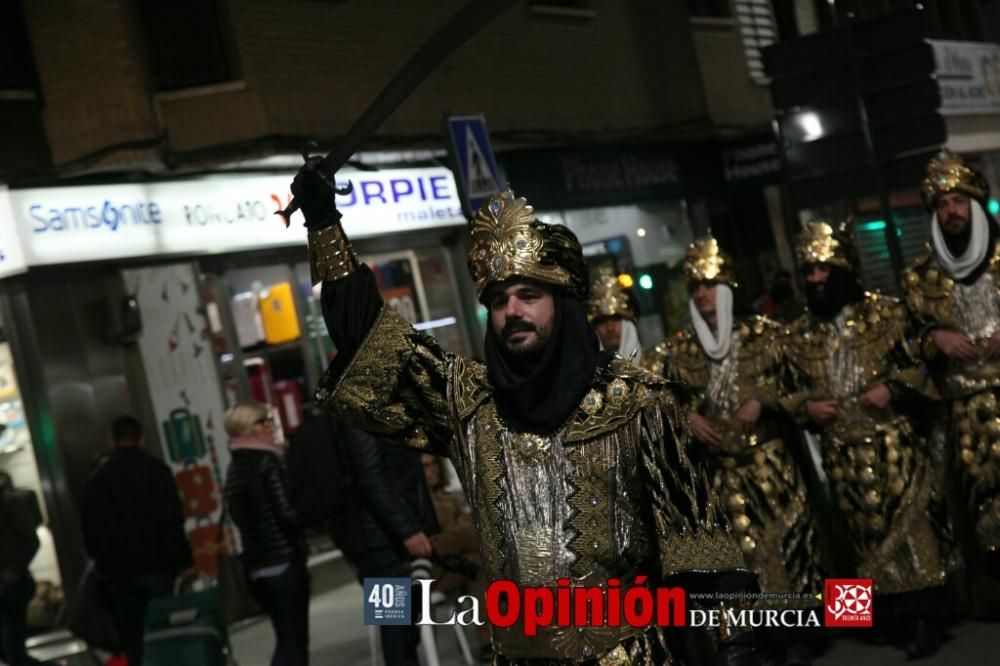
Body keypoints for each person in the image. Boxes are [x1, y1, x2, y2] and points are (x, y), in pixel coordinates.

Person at [291, 160, 755, 665]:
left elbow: (698, 548)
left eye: (529, 295)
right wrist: (324, 226)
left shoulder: (638, 403)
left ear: (564, 303)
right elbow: (369, 337)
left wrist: (731, 647)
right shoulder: (468, 404)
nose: (512, 311)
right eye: (498, 300)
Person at [642, 237, 824, 665]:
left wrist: (762, 397)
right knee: (737, 564)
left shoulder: (765, 335)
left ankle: (799, 637)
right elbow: (652, 399)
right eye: (695, 287)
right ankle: (750, 641)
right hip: (717, 474)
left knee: (792, 550)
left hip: (770, 466)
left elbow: (803, 380)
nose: (702, 293)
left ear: (726, 287)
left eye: (710, 283)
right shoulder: (676, 351)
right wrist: (684, 416)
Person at [783, 221, 960, 658]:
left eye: (823, 269)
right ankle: (874, 621)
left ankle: (925, 619)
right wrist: (806, 409)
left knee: (911, 531)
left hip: (893, 444)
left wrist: (893, 388)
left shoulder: (887, 313)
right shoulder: (797, 334)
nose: (816, 279)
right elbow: (783, 389)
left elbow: (921, 365)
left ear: (843, 268)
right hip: (840, 452)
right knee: (857, 537)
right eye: (808, 272)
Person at [901, 150, 1000, 578]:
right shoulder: (921, 277)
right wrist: (934, 337)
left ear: (974, 204)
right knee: (980, 498)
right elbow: (905, 341)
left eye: (957, 202)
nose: (951, 212)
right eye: (942, 206)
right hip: (960, 411)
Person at [81, 416, 194, 666]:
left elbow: (90, 537)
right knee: (166, 630)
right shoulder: (158, 471)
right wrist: (186, 562)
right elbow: (173, 521)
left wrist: (104, 567)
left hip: (118, 575)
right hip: (159, 568)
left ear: (112, 441)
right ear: (142, 438)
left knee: (133, 638)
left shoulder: (95, 484)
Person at [223, 402, 309, 666]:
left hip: (257, 567)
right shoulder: (267, 461)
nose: (270, 427)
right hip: (283, 561)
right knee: (294, 642)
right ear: (249, 428)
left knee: (284, 637)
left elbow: (238, 516)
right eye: (263, 422)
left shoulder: (234, 468)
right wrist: (310, 518)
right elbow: (286, 514)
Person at [0, 471, 42, 666]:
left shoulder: (10, 503)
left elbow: (31, 541)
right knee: (10, 652)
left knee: (13, 652)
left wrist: (13, 573)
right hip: (10, 583)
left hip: (13, 586)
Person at [585, 274, 642, 361]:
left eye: (616, 319)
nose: (610, 328)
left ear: (628, 325)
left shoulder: (654, 369)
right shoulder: (585, 373)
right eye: (602, 321)